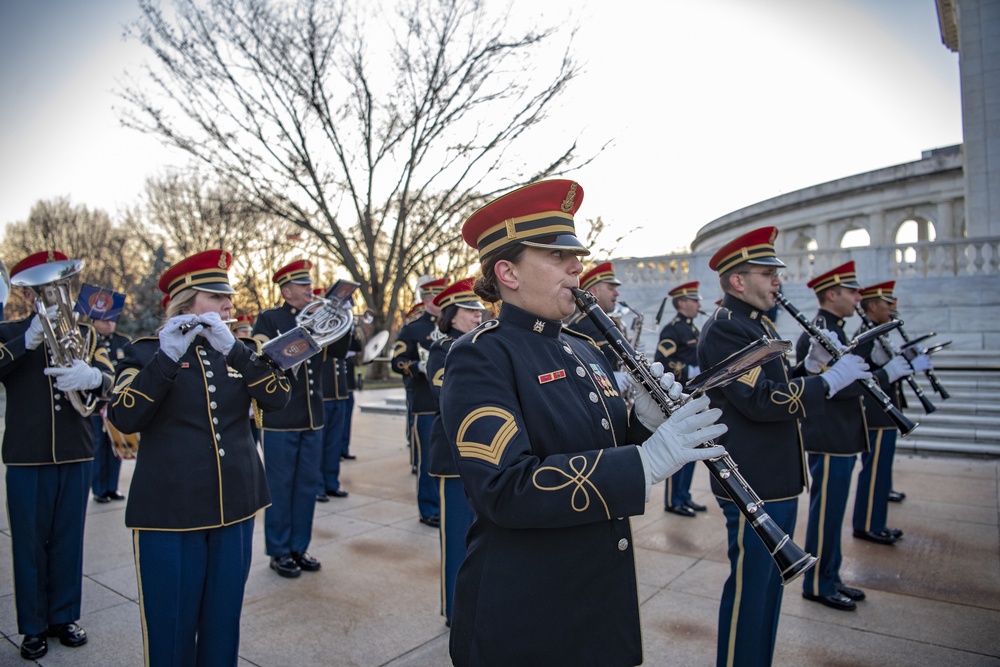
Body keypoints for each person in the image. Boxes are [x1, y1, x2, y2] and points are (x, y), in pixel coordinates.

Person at [441, 179, 728, 666]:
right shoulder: (479, 356)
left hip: (598, 598)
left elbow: (603, 438)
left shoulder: (585, 347)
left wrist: (647, 424)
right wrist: (646, 461)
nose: (578, 266)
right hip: (528, 614)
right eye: (556, 256)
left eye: (575, 255)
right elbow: (504, 489)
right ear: (507, 271)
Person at [107, 249, 290, 666]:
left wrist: (239, 353)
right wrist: (166, 360)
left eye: (229, 295)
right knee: (171, 628)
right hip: (171, 513)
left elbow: (279, 399)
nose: (229, 304)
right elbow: (124, 415)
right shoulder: (145, 352)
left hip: (236, 506)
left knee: (223, 623)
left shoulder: (238, 348)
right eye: (216, 296)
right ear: (186, 302)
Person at [697, 228, 871, 666]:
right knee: (750, 593)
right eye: (768, 273)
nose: (778, 281)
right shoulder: (724, 330)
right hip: (751, 480)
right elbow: (757, 401)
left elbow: (772, 383)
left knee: (769, 589)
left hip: (775, 476)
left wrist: (806, 369)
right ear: (738, 281)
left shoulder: (757, 324)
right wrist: (826, 383)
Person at [0, 250, 114, 660]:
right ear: (29, 297)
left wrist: (95, 376)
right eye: (43, 291)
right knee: (30, 544)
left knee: (68, 539)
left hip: (75, 449)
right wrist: (23, 342)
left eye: (60, 287)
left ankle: (63, 615)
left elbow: (110, 377)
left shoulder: (86, 333)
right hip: (28, 455)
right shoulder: (8, 331)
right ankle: (31, 627)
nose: (52, 295)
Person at [793, 261, 880, 612]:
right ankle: (818, 582)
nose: (858, 297)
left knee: (834, 512)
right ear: (832, 294)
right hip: (828, 436)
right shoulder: (817, 332)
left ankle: (831, 574)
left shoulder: (838, 330)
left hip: (842, 435)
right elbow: (818, 387)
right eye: (852, 291)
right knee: (826, 514)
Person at [252, 259, 327, 578]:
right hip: (282, 417)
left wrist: (342, 323)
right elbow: (263, 359)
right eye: (303, 285)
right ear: (286, 290)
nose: (311, 289)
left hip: (312, 416)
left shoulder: (320, 317)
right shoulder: (270, 319)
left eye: (310, 284)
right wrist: (303, 332)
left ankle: (299, 545)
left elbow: (340, 354)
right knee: (280, 486)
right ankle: (279, 549)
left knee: (307, 485)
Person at [425, 277, 485, 626]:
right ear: (451, 316)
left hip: (481, 456)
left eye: (479, 309)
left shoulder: (479, 345)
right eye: (469, 310)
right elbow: (451, 397)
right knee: (458, 539)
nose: (478, 316)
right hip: (452, 459)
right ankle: (455, 609)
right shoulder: (443, 350)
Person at [851, 281, 924, 545]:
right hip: (874, 413)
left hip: (885, 411)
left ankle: (876, 521)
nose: (892, 308)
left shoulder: (876, 333)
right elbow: (863, 377)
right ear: (872, 306)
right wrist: (889, 371)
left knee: (881, 472)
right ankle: (868, 523)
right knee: (875, 472)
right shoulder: (865, 336)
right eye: (886, 304)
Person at [391, 276, 448, 527]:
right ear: (426, 300)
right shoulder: (413, 329)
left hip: (448, 401)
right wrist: (418, 366)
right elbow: (397, 361)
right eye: (438, 298)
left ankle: (445, 503)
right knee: (428, 458)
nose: (443, 302)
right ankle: (429, 509)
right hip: (425, 401)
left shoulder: (450, 325)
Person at [656, 281, 706, 517]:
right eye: (694, 300)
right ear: (682, 302)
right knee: (679, 450)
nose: (698, 304)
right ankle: (673, 500)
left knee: (693, 448)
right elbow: (661, 362)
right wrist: (688, 371)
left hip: (694, 396)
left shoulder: (694, 330)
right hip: (680, 396)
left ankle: (684, 496)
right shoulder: (672, 329)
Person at [316, 294, 361, 501]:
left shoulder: (342, 328)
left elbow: (352, 349)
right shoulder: (320, 326)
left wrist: (350, 324)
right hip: (323, 392)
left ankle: (331, 482)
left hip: (340, 392)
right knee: (320, 444)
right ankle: (318, 485)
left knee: (334, 444)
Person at [89, 308, 132, 503]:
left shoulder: (123, 341)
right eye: (105, 320)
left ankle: (112, 487)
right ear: (94, 321)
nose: (110, 324)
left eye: (113, 320)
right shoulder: (88, 343)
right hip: (97, 405)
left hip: (116, 404)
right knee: (99, 447)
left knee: (116, 447)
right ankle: (99, 489)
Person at [564, 260, 622, 368]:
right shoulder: (579, 325)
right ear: (593, 292)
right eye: (610, 288)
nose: (616, 293)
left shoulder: (614, 322)